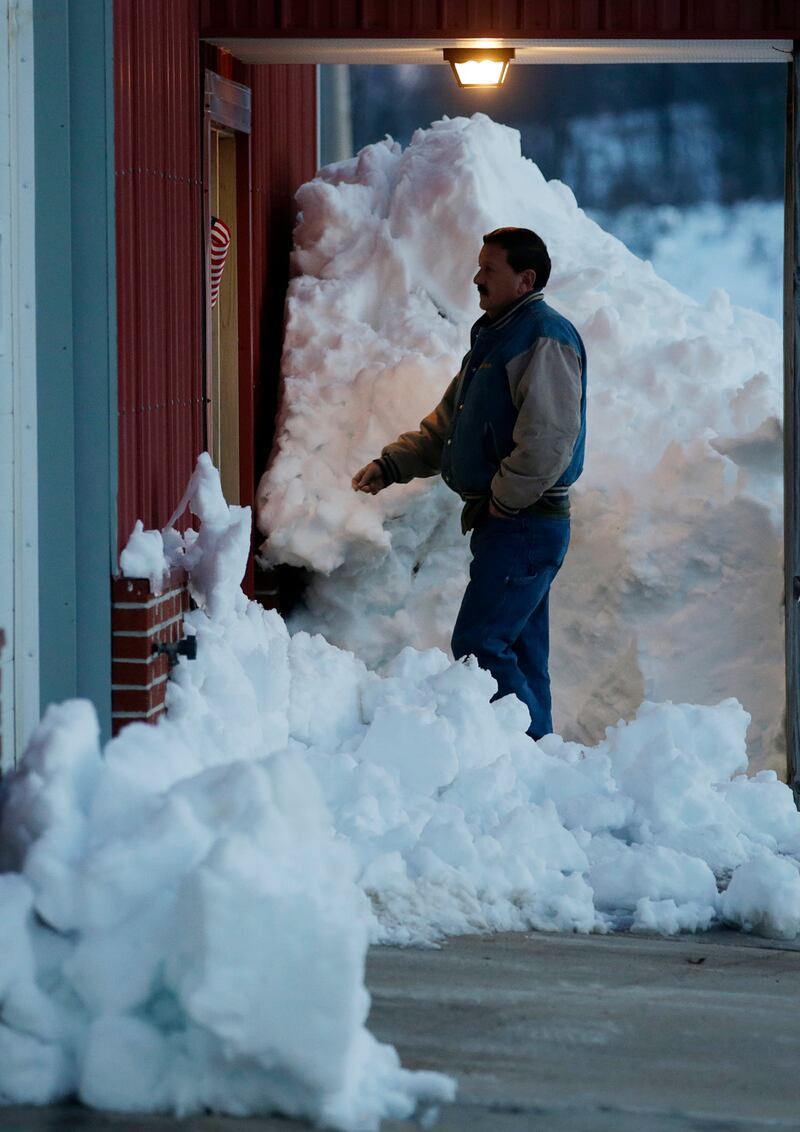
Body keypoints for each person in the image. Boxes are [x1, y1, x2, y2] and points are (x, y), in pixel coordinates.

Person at [351, 227, 587, 740]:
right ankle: (539, 758)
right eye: (479, 265)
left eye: (490, 269)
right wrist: (393, 465)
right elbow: (452, 426)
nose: (476, 277)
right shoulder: (497, 334)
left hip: (524, 523)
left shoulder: (543, 337)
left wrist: (504, 500)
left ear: (525, 280)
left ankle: (527, 753)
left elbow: (548, 439)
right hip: (514, 523)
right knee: (519, 648)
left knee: (481, 644)